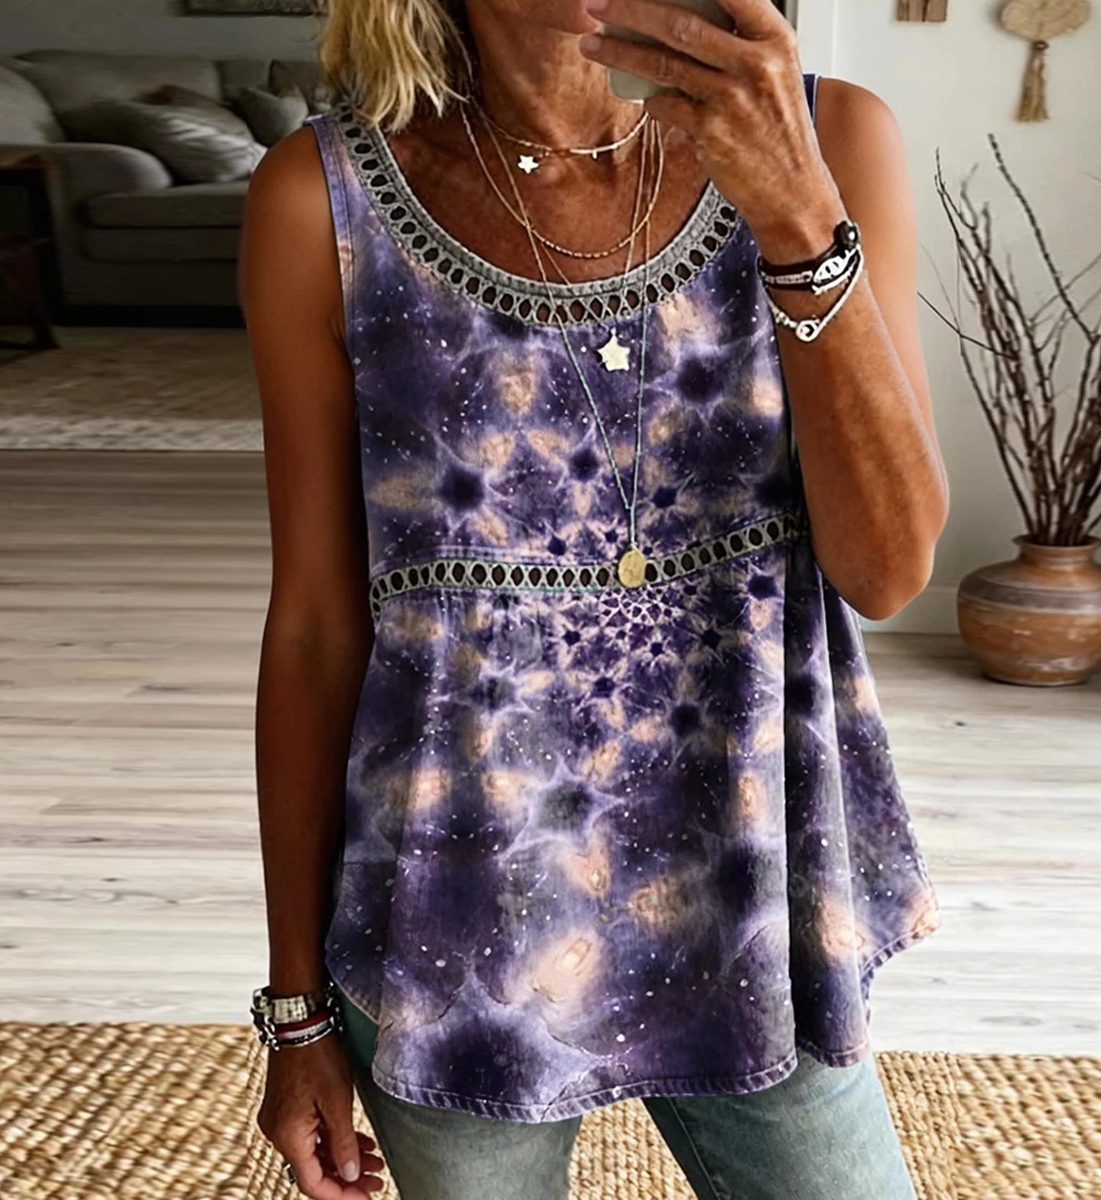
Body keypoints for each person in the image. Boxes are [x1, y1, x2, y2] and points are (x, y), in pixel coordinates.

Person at [240, 0, 949, 1197]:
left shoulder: (832, 142)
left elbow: (889, 569)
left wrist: (793, 214)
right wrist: (297, 1009)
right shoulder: (324, 202)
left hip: (754, 891)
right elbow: (315, 628)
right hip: (459, 921)